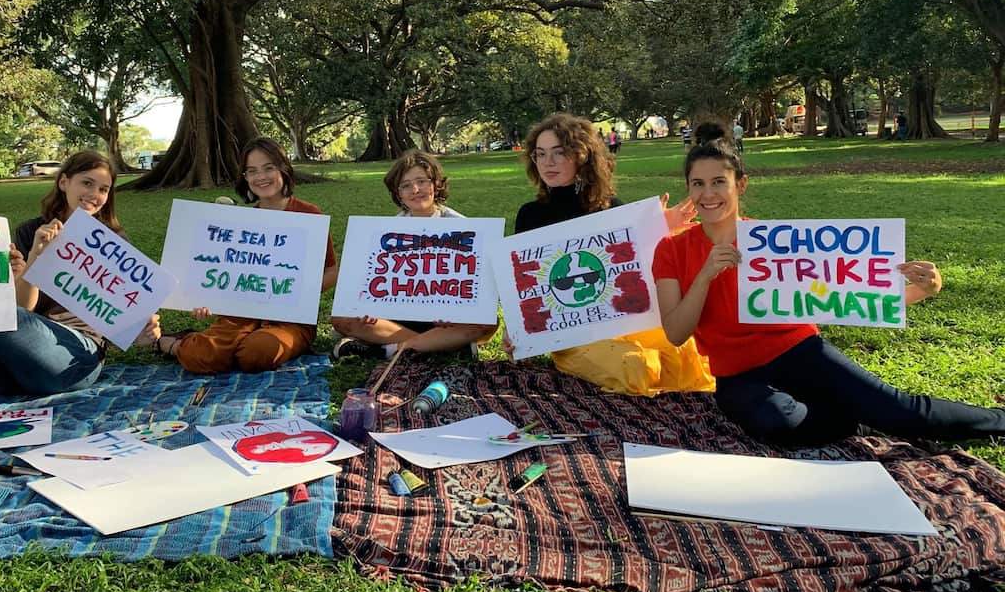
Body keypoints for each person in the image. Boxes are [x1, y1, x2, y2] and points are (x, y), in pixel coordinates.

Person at [653, 126, 1005, 446]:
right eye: (697, 183)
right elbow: (676, 332)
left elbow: (837, 296)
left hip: (799, 350)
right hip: (738, 374)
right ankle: (861, 421)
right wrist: (704, 275)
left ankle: (998, 421)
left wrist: (923, 290)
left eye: (719, 182)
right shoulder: (672, 249)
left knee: (902, 412)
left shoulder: (774, 240)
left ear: (739, 185)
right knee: (779, 426)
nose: (708, 194)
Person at [0, 151, 160, 394]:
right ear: (64, 183)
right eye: (87, 183)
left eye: (103, 189)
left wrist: (142, 331)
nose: (95, 194)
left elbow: (125, 317)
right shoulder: (31, 231)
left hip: (74, 360)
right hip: (11, 368)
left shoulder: (112, 242)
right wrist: (36, 256)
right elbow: (22, 307)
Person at [503, 112, 695, 354]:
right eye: (540, 154)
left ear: (582, 156)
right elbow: (527, 287)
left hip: (619, 325)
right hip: (569, 337)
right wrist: (515, 329)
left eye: (559, 152)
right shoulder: (530, 215)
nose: (547, 162)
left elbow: (637, 269)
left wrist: (657, 229)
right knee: (636, 367)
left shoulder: (611, 208)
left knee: (676, 351)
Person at [158, 138, 338, 374]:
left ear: (283, 168)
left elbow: (331, 271)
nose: (260, 177)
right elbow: (223, 276)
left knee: (257, 353)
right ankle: (171, 343)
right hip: (239, 316)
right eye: (251, 171)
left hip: (290, 319)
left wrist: (300, 293)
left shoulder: (309, 215)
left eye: (268, 168)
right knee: (199, 357)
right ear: (245, 178)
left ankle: (234, 349)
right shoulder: (240, 227)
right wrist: (204, 299)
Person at [330, 150, 496, 360]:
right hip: (396, 319)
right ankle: (440, 346)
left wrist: (455, 311)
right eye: (406, 185)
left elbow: (476, 289)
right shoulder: (383, 233)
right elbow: (368, 284)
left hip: (445, 320)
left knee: (486, 322)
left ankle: (387, 350)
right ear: (398, 193)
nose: (415, 190)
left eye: (422, 181)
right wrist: (367, 307)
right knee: (342, 318)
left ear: (435, 184)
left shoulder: (465, 229)